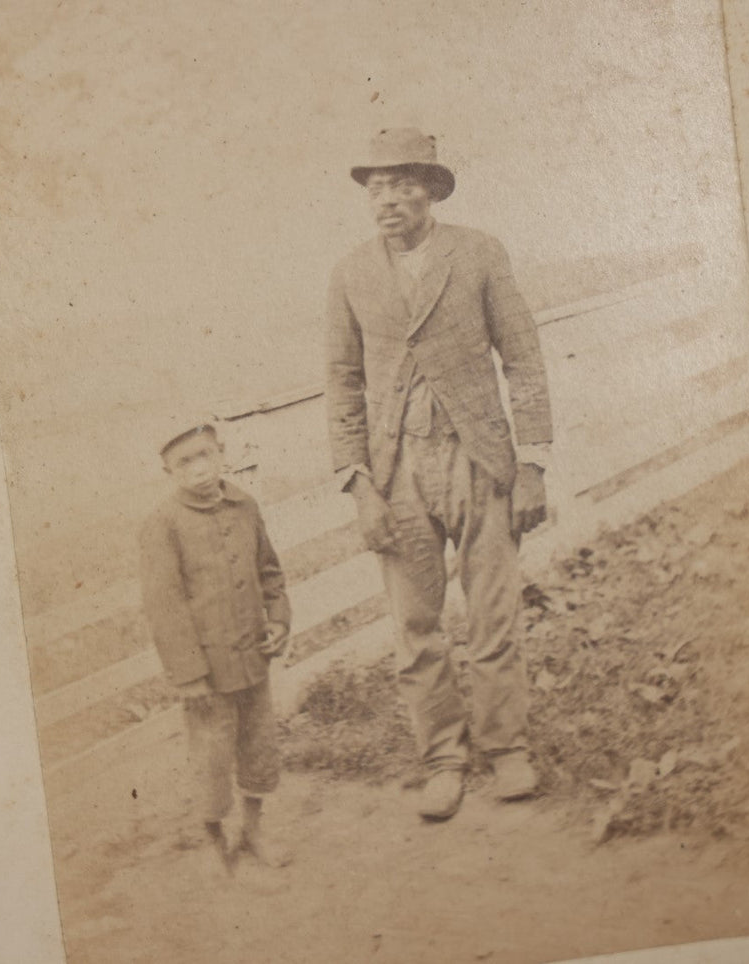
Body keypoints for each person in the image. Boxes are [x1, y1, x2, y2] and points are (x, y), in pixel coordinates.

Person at [324, 127, 553, 821]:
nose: (386, 201)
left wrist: (532, 462)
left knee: (492, 612)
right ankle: (443, 761)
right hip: (397, 472)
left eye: (400, 186)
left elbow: (522, 357)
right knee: (415, 625)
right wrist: (358, 482)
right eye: (374, 189)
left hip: (479, 459)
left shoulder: (478, 253)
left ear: (431, 190)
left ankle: (506, 749)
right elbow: (340, 381)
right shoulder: (350, 273)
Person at [138, 419, 292, 873]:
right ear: (168, 471)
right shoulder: (162, 524)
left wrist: (279, 620)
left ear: (221, 453)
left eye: (205, 455)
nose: (198, 468)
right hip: (206, 671)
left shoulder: (245, 507)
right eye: (184, 462)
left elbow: (270, 572)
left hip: (252, 658)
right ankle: (213, 841)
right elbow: (164, 607)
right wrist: (189, 676)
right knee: (211, 756)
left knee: (258, 746)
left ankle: (253, 830)